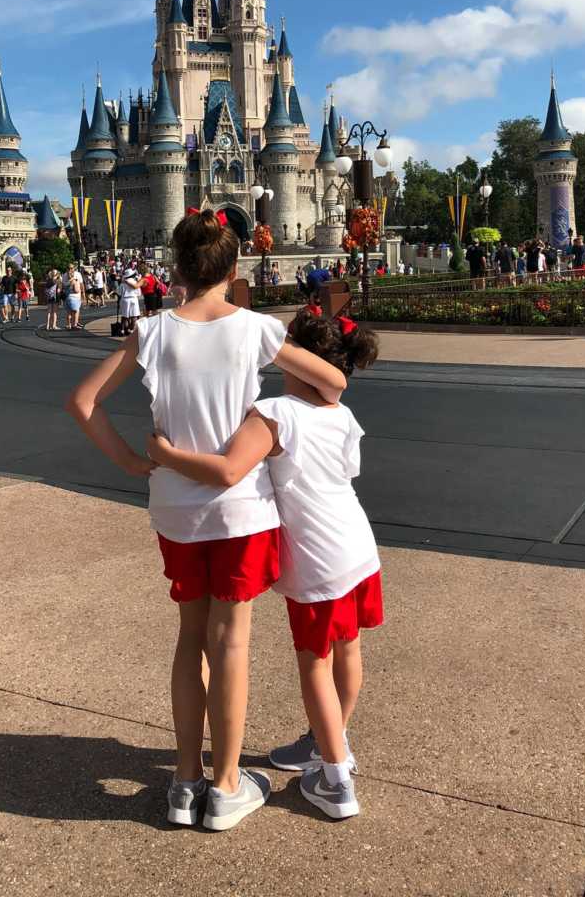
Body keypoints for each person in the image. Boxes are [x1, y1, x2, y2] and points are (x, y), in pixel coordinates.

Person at [65, 210, 347, 831]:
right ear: (235, 266)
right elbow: (333, 384)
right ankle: (225, 787)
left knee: (190, 637)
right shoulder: (256, 330)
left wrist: (136, 462)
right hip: (240, 508)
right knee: (231, 642)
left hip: (173, 508)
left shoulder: (152, 331)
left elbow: (83, 403)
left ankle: (185, 782)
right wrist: (273, 413)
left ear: (177, 267)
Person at [148, 305, 382, 821]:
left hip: (317, 558)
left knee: (314, 662)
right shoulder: (342, 413)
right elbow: (347, 470)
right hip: (358, 546)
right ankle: (328, 741)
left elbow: (230, 468)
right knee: (348, 651)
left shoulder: (274, 413)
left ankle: (336, 778)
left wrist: (163, 455)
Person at [118, 267, 141, 336]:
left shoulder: (123, 283)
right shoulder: (136, 282)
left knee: (125, 316)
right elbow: (139, 293)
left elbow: (119, 293)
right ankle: (131, 330)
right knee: (134, 316)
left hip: (125, 299)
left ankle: (122, 330)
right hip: (133, 298)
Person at [65, 266, 84, 331]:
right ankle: (74, 325)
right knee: (75, 312)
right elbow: (76, 290)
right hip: (74, 298)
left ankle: (68, 325)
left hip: (67, 297)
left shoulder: (66, 280)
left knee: (69, 312)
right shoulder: (73, 281)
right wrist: (79, 290)